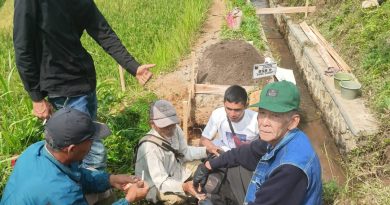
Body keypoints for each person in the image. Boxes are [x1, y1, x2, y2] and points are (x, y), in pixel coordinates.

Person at [13, 0, 155, 172]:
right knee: (92, 153)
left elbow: (101, 29)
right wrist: (36, 96)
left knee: (83, 150)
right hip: (62, 88)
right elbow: (22, 46)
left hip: (85, 82)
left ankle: (85, 190)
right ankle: (93, 195)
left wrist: (133, 67)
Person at [193, 80, 323, 205]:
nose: (264, 122)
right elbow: (243, 152)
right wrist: (208, 165)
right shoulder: (277, 139)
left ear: (293, 121)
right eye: (262, 113)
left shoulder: (290, 168)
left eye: (275, 116)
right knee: (227, 170)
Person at [0, 107, 149, 205]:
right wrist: (129, 199)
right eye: (90, 141)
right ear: (71, 149)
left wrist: (110, 179)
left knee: (104, 191)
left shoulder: (37, 150)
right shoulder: (62, 192)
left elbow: (75, 174)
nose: (92, 144)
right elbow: (64, 189)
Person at [134, 100, 214, 205]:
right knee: (177, 200)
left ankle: (194, 193)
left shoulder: (175, 129)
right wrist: (183, 186)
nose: (170, 128)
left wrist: (206, 150)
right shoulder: (150, 148)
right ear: (152, 124)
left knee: (201, 168)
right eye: (165, 126)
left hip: (174, 169)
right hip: (155, 184)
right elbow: (161, 182)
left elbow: (184, 152)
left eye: (172, 124)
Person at [200, 85, 259, 204]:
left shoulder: (256, 120)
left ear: (246, 106)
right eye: (228, 108)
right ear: (223, 104)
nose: (232, 114)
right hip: (223, 155)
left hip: (245, 161)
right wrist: (211, 147)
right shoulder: (218, 114)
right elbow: (204, 139)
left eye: (237, 110)